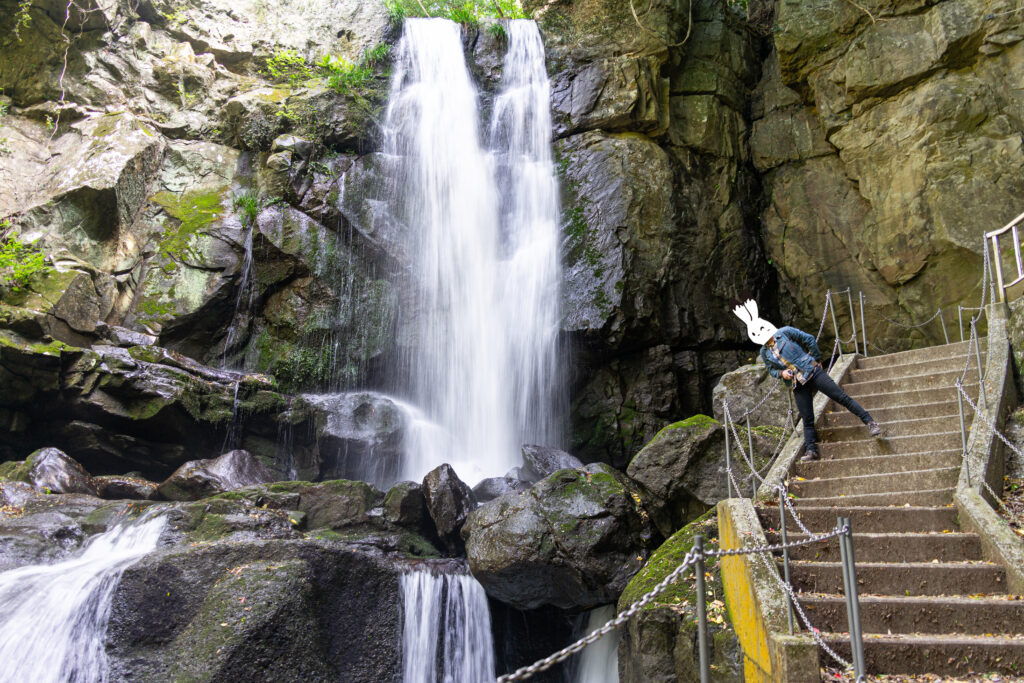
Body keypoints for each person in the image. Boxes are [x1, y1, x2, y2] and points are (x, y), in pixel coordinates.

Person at [733, 300, 882, 461]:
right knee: (807, 417)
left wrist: (815, 358)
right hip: (797, 383)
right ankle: (811, 450)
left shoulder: (785, 332)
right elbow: (771, 370)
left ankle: (870, 422)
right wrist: (782, 374)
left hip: (812, 371)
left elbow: (809, 339)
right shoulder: (764, 352)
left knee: (841, 397)